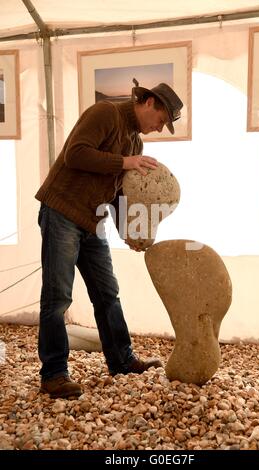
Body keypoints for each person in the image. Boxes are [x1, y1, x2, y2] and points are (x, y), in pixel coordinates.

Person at [35, 80, 183, 399]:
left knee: (107, 293)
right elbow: (75, 154)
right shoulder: (105, 113)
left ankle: (122, 360)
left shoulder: (136, 144)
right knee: (58, 296)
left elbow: (117, 192)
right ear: (149, 104)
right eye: (161, 121)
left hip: (93, 220)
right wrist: (124, 163)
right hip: (62, 210)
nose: (159, 129)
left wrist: (128, 231)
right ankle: (54, 373)